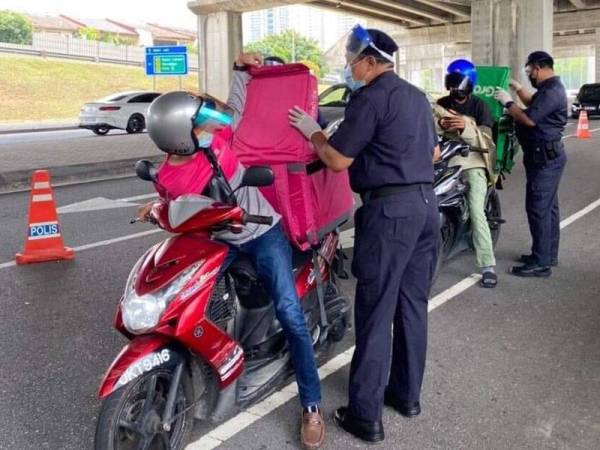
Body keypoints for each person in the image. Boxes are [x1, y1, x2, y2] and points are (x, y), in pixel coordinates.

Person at [137, 53, 326, 450]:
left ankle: (311, 406)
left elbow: (235, 109)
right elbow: (177, 209)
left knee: (291, 314)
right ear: (179, 135)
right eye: (200, 121)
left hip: (262, 232)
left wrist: (240, 69)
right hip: (217, 240)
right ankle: (217, 357)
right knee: (193, 298)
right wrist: (157, 211)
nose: (212, 123)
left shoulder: (220, 138)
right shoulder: (170, 174)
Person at [289, 26, 439, 443]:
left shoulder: (370, 98)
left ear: (370, 62)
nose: (348, 68)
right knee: (412, 306)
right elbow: (432, 153)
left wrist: (312, 132)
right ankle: (406, 395)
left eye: (352, 61)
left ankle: (365, 415)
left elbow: (336, 159)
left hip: (390, 213)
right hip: (426, 208)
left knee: (374, 311)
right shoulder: (415, 96)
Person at [494, 51, 567, 277]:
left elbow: (529, 118)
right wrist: (517, 90)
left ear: (539, 67)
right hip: (545, 156)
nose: (529, 75)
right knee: (549, 208)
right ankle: (547, 254)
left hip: (545, 158)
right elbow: (534, 103)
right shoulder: (549, 89)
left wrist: (507, 103)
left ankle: (540, 263)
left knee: (538, 209)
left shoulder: (553, 90)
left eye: (529, 71)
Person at [436, 59, 498, 288]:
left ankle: (487, 264)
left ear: (469, 84)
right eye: (451, 82)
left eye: (458, 83)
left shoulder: (480, 107)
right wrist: (440, 123)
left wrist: (465, 128)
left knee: (476, 209)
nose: (454, 89)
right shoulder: (439, 104)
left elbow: (487, 140)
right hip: (443, 159)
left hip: (473, 160)